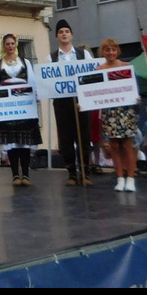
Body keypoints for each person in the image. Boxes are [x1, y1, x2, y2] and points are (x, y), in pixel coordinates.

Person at [0, 33, 42, 187]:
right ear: (4, 46)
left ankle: (25, 174)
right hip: (8, 107)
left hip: (24, 105)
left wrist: (35, 100)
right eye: (7, 44)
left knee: (24, 141)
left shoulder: (25, 63)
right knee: (11, 141)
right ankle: (15, 175)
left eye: (12, 43)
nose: (10, 46)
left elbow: (32, 82)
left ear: (16, 45)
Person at [49, 19, 94, 187]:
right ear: (57, 36)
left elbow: (91, 76)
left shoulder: (84, 54)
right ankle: (72, 173)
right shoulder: (52, 57)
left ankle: (85, 171)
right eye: (61, 32)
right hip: (62, 102)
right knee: (66, 137)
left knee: (83, 136)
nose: (64, 34)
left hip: (81, 101)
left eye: (66, 31)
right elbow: (49, 81)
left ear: (72, 34)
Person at [95, 38, 141, 192]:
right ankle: (120, 177)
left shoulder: (126, 67)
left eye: (113, 49)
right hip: (109, 111)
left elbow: (134, 87)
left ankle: (131, 178)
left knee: (128, 144)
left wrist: (136, 97)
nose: (111, 53)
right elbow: (94, 93)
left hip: (126, 110)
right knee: (114, 145)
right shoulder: (99, 69)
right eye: (107, 50)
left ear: (118, 51)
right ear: (102, 52)